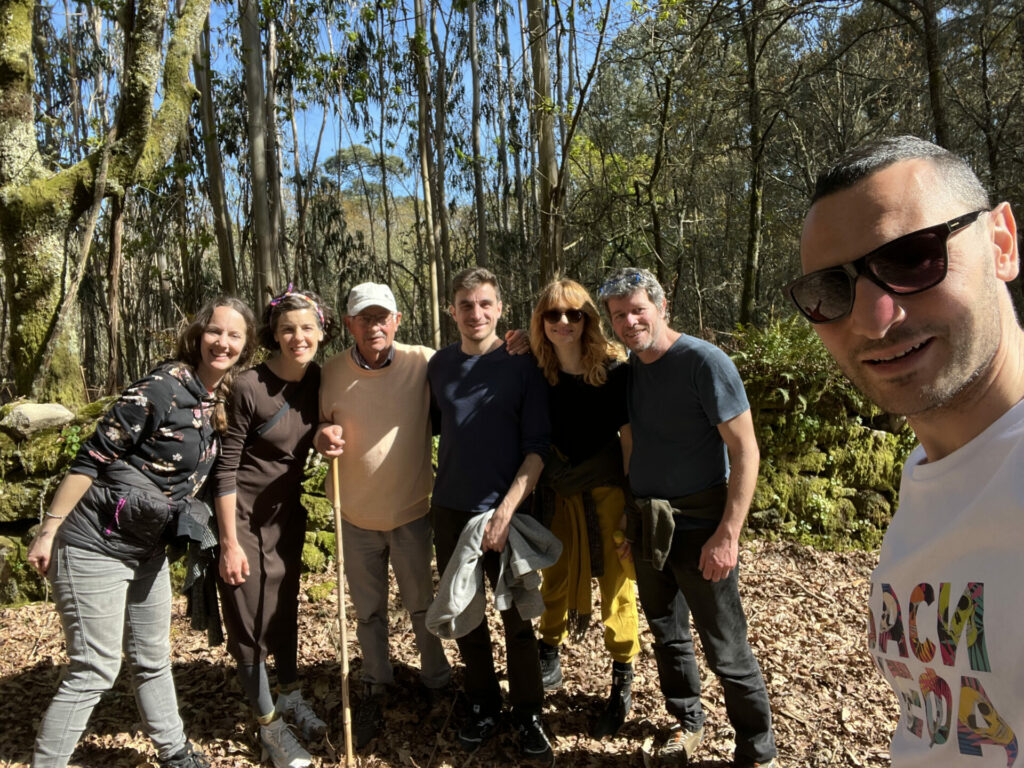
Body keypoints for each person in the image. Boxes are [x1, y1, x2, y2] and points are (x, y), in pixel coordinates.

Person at [791, 135, 1023, 767]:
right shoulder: (930, 475)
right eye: (831, 291)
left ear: (1001, 243)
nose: (872, 317)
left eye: (914, 257)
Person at [25, 296, 257, 768]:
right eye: (216, 331)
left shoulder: (219, 398)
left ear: (246, 346)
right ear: (198, 333)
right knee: (95, 668)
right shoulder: (161, 387)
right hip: (95, 542)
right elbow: (91, 458)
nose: (223, 342)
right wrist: (48, 531)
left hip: (148, 548)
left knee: (152, 658)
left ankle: (175, 753)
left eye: (235, 336)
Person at [599, 267, 779, 768]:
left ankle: (758, 749)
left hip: (702, 525)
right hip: (649, 524)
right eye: (619, 315)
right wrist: (631, 524)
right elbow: (632, 445)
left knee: (726, 646)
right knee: (666, 629)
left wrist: (728, 534)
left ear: (661, 307)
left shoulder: (704, 362)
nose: (630, 321)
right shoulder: (630, 370)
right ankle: (687, 722)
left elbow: (746, 451)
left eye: (638, 309)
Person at [316, 282, 451, 749]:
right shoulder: (329, 373)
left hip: (412, 510)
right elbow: (315, 425)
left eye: (382, 317)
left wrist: (516, 348)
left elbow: (474, 371)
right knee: (369, 611)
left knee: (422, 605)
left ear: (397, 321)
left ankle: (437, 680)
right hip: (353, 515)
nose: (374, 326)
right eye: (364, 318)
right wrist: (321, 435)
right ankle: (377, 680)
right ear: (349, 324)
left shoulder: (424, 361)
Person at [427, 266, 554, 761]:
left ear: (500, 308)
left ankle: (528, 713)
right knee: (466, 614)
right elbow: (436, 429)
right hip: (451, 510)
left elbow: (538, 449)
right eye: (465, 305)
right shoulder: (439, 366)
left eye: (485, 304)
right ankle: (482, 705)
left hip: (512, 512)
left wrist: (504, 511)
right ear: (451, 311)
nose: (475, 313)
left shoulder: (525, 364)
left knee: (518, 619)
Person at [214, 287, 336, 768]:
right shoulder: (249, 386)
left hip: (286, 516)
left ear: (321, 332)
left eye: (307, 327)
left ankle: (289, 694)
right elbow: (225, 470)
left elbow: (325, 425)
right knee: (248, 621)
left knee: (283, 610)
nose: (297, 337)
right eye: (287, 329)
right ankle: (269, 726)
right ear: (274, 334)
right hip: (242, 518)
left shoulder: (319, 380)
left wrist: (327, 433)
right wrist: (228, 543)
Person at [528, 278, 640, 739]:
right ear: (541, 322)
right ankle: (548, 651)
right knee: (555, 574)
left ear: (588, 319)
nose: (563, 323)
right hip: (558, 493)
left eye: (574, 314)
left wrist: (634, 505)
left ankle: (622, 678)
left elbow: (629, 440)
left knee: (617, 583)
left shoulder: (615, 369)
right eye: (553, 315)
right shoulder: (535, 369)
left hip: (609, 491)